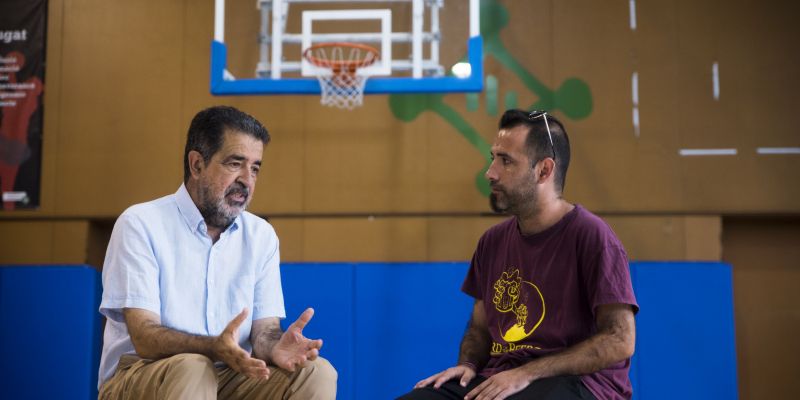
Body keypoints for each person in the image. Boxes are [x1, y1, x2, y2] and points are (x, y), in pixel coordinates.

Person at [97, 106, 337, 399]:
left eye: (255, 168)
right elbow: (145, 337)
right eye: (235, 164)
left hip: (231, 375)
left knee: (317, 372)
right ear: (197, 165)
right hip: (141, 374)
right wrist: (212, 347)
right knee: (194, 367)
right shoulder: (141, 223)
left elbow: (264, 331)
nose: (247, 180)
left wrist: (276, 346)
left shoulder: (261, 235)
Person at [398, 109, 638, 400]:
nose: (491, 172)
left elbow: (620, 340)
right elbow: (479, 328)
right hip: (503, 379)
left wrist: (528, 372)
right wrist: (468, 364)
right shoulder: (492, 241)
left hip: (578, 384)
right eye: (493, 158)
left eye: (506, 161)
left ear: (544, 170)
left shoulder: (593, 236)